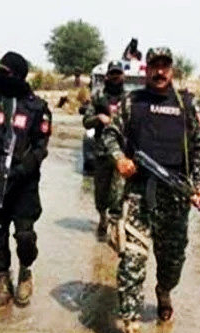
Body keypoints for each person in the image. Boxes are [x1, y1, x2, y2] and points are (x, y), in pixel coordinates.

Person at [101, 47, 200, 333]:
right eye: (155, 66)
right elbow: (110, 134)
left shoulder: (186, 105)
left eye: (165, 66)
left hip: (175, 197)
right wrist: (119, 159)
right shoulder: (131, 103)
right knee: (131, 262)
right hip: (138, 194)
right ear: (146, 69)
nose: (160, 72)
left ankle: (164, 291)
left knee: (172, 262)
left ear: (171, 70)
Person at [0, 51, 52, 308]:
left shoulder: (36, 107)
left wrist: (24, 167)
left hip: (24, 183)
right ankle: (3, 281)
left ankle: (25, 273)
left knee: (25, 235)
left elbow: (41, 146)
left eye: (5, 72)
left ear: (17, 75)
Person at [82, 60, 128, 241]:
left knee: (119, 191)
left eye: (118, 74)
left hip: (122, 152)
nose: (115, 77)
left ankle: (116, 227)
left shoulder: (129, 99)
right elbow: (86, 122)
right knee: (101, 191)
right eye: (112, 74)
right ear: (107, 76)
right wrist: (99, 118)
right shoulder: (98, 97)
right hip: (101, 151)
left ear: (122, 76)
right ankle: (103, 217)